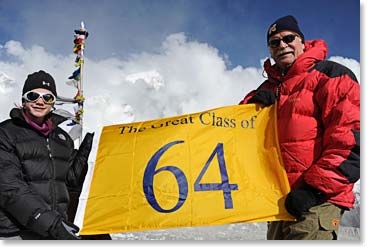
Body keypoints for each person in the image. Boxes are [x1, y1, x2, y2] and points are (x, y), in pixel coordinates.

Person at [240, 15, 360, 240]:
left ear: (302, 42)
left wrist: (313, 191)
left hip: (317, 203)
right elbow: (237, 133)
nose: (282, 45)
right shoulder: (268, 88)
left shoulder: (332, 76)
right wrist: (251, 105)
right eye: (274, 43)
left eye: (288, 38)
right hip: (279, 203)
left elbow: (351, 144)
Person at [0, 70, 94, 240]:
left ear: (53, 103)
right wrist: (52, 224)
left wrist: (80, 167)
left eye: (48, 97)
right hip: (17, 232)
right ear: (23, 100)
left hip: (54, 230)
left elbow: (66, 183)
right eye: (33, 95)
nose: (40, 102)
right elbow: (9, 188)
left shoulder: (62, 138)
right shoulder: (5, 134)